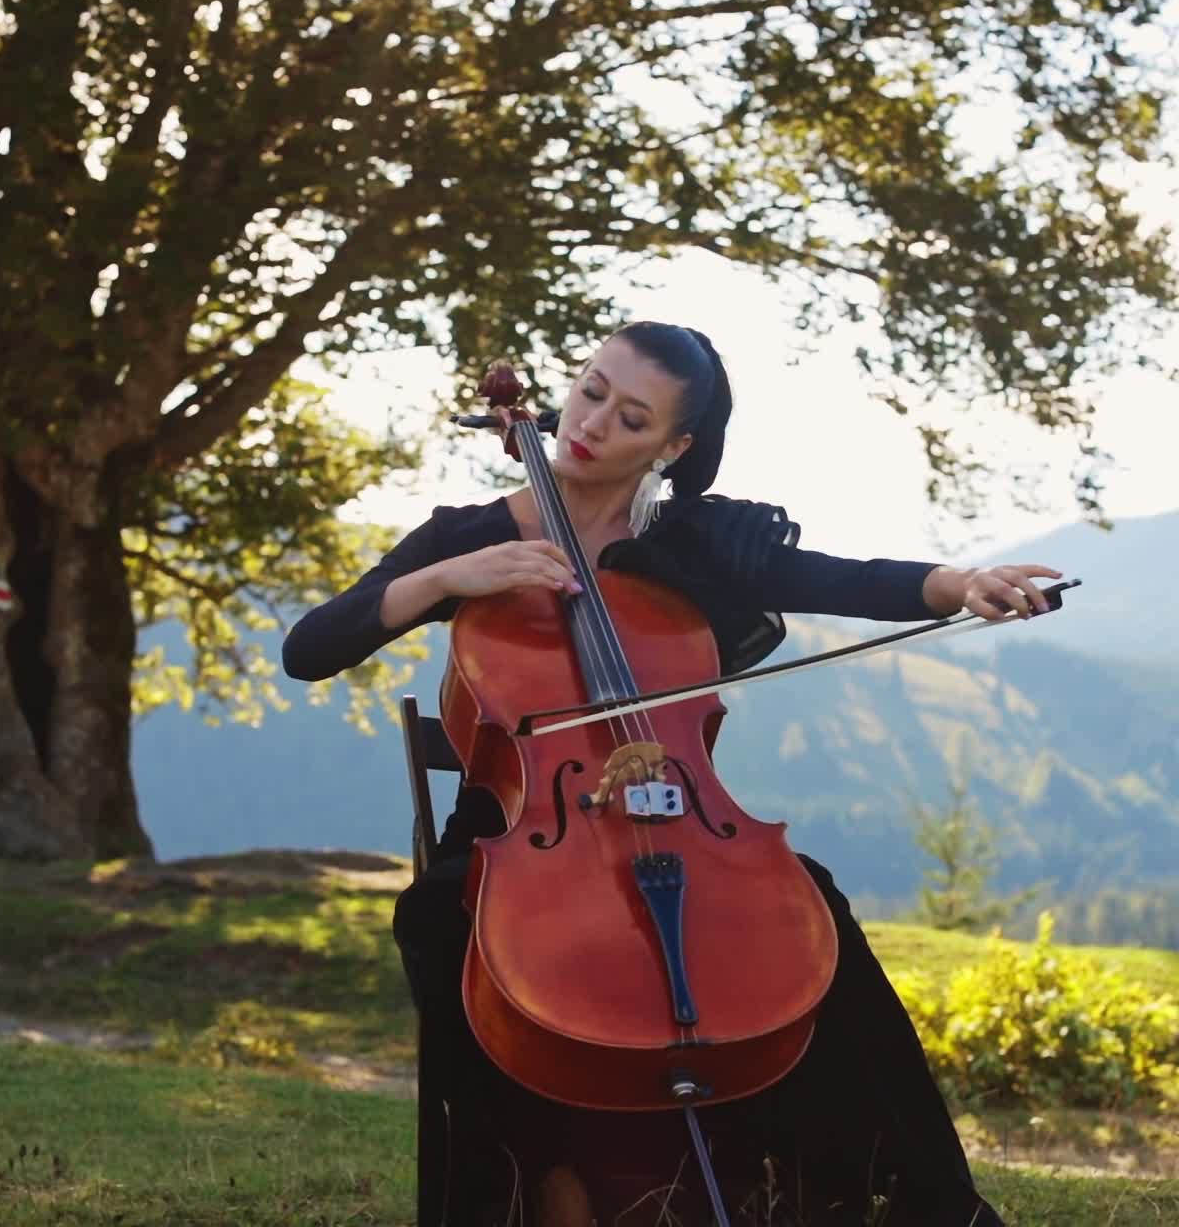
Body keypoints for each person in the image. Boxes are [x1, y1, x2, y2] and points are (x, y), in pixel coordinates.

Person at [283, 321, 1059, 1226]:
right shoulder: (471, 536)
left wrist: (962, 584)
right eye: (593, 390)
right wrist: (452, 576)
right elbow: (311, 649)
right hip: (517, 830)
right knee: (434, 915)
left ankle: (909, 1199)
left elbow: (842, 579)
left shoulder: (690, 540)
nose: (594, 421)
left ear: (674, 445)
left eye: (633, 416)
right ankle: (543, 1179)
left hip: (682, 819)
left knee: (814, 914)